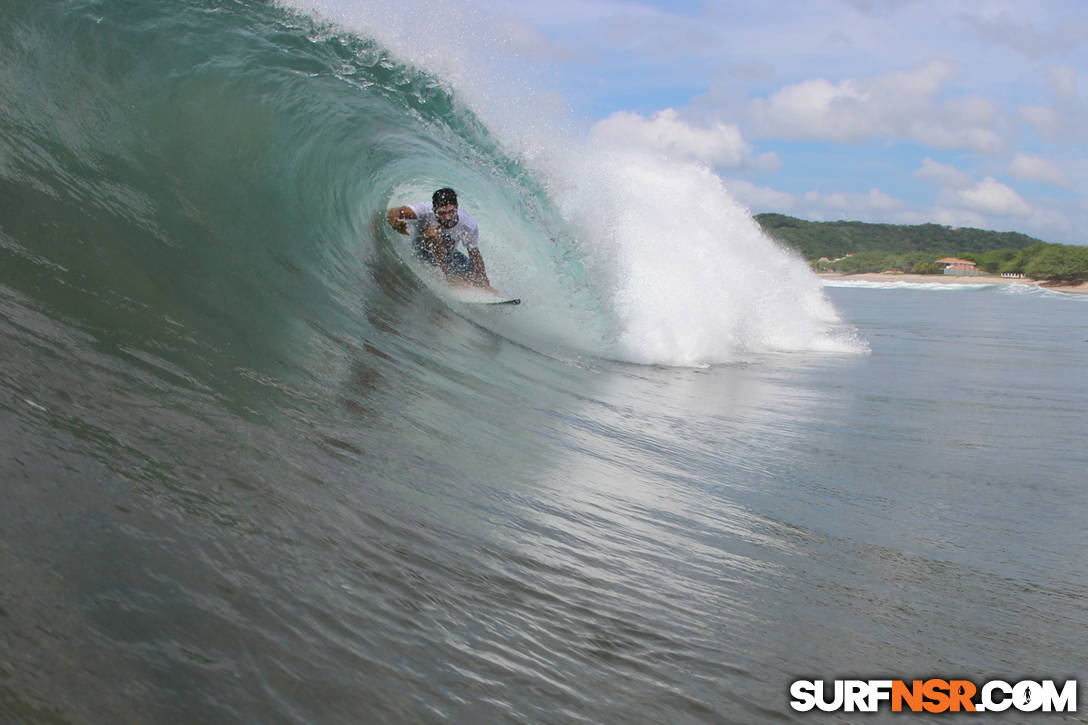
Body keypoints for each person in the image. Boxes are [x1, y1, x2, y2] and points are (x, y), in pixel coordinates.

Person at [386, 188, 493, 290]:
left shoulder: (468, 224)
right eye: (442, 213)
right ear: (434, 209)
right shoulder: (424, 210)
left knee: (475, 275)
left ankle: (483, 286)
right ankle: (448, 277)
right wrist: (395, 222)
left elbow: (474, 253)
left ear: (456, 207)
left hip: (447, 255)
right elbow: (394, 211)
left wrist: (485, 283)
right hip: (422, 250)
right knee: (434, 233)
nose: (447, 217)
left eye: (451, 212)